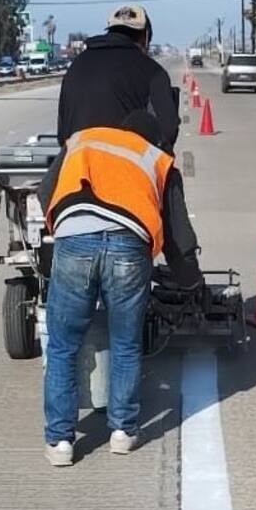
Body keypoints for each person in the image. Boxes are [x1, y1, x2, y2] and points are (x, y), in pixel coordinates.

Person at [41, 108, 204, 467]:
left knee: (64, 346)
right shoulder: (157, 159)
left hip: (74, 241)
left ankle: (61, 442)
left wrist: (64, 229)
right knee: (126, 342)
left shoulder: (83, 140)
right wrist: (191, 279)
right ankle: (123, 431)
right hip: (129, 245)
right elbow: (177, 232)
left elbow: (45, 192)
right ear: (153, 138)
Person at [56, 5, 180, 153]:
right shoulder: (152, 71)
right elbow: (168, 132)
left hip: (76, 169)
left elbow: (62, 134)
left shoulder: (75, 66)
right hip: (127, 172)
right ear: (146, 38)